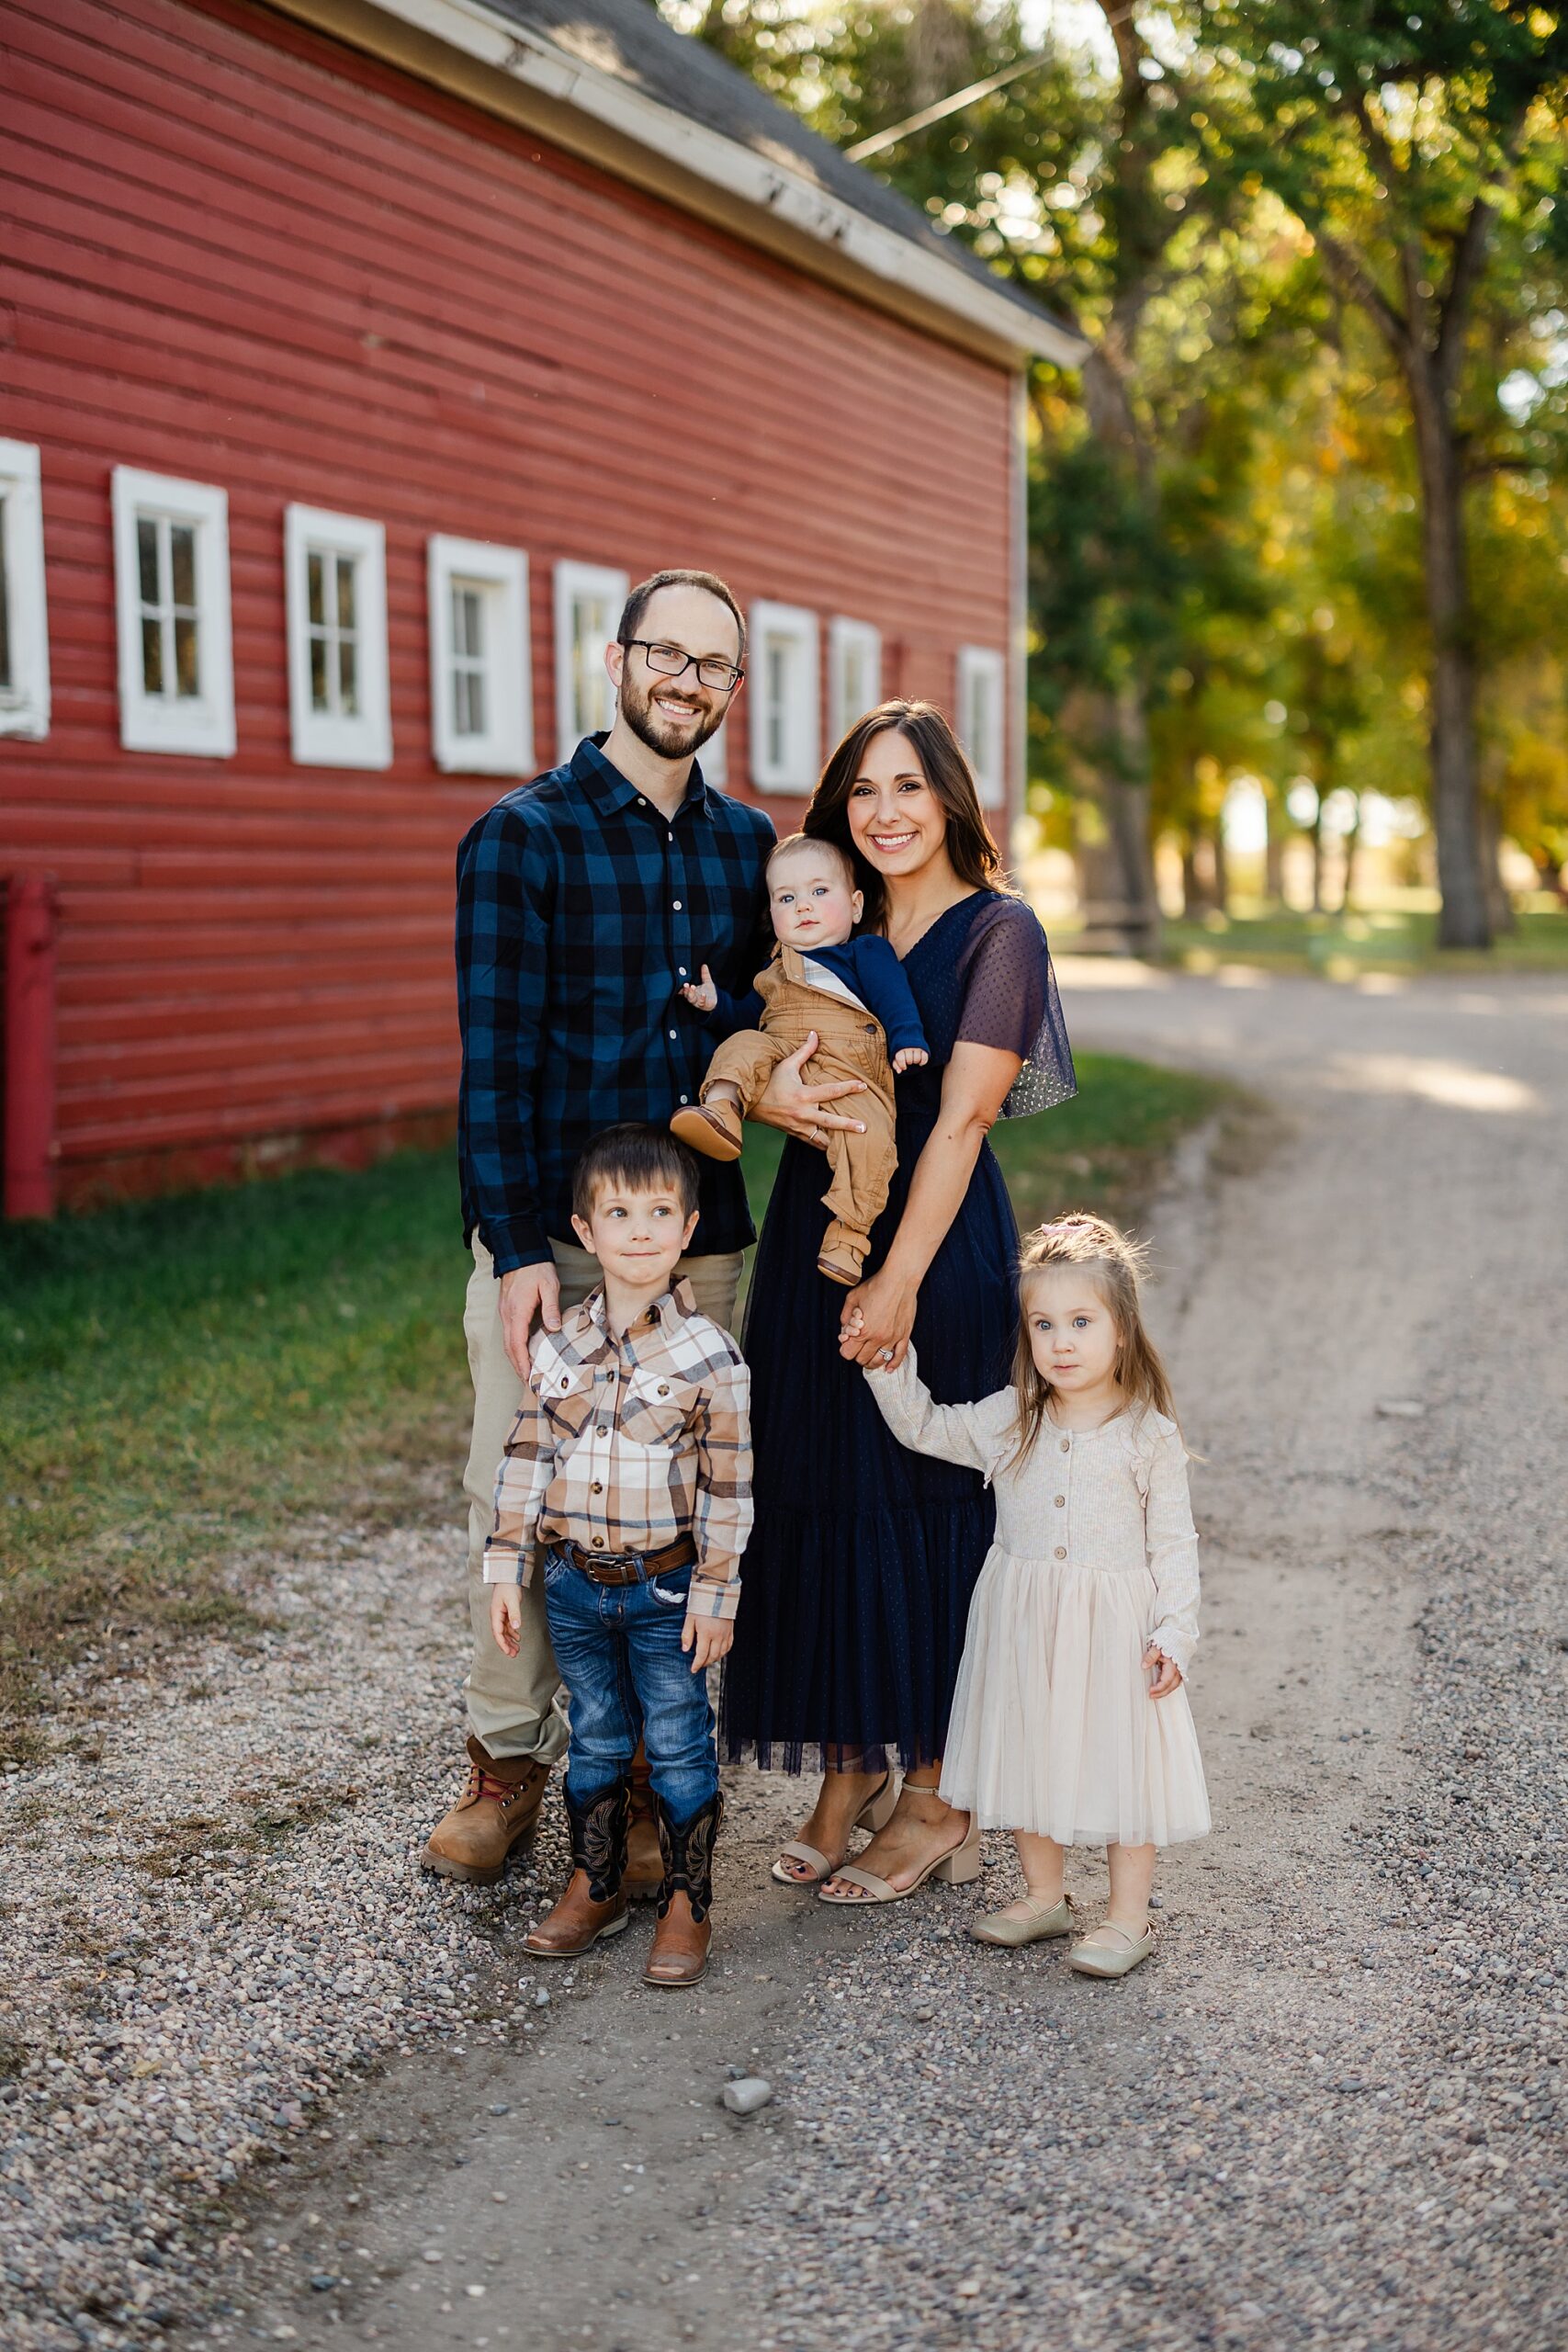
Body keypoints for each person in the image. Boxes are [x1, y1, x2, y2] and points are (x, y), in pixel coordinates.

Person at [428, 570, 865, 1889]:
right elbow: (491, 1066)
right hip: (557, 1237)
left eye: (712, 667)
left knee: (662, 1506)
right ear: (612, 661)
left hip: (702, 1239)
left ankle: (625, 1777)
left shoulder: (749, 849)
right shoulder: (524, 837)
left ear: (733, 691)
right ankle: (505, 1765)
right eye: (663, 656)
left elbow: (780, 1010)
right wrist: (511, 1250)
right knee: (523, 1493)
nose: (686, 682)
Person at [719, 700, 1077, 1901]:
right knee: (820, 1490)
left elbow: (964, 1116)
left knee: (924, 1504)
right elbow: (753, 1029)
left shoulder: (998, 932)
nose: (881, 813)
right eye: (862, 791)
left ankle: (935, 1798)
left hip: (930, 1246)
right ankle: (846, 1769)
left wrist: (898, 1282)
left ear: (948, 803)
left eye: (906, 789)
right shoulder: (831, 913)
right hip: (810, 1231)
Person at [862, 1214, 1210, 1973]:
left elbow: (1174, 1547)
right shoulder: (1012, 1417)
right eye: (1043, 1323)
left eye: (1081, 1322)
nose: (1061, 1342)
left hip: (1115, 1626)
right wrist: (885, 1361)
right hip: (1022, 1614)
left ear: (1120, 1330)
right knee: (1027, 1750)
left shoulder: (1145, 1434)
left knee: (1123, 1763)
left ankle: (1126, 1919)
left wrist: (1173, 1634)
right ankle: (1043, 1897)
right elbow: (924, 1427)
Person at [486, 1126, 750, 1988]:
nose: (640, 1230)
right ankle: (592, 1883)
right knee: (595, 1735)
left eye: (660, 1213)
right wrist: (504, 1565)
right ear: (585, 1230)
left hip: (667, 1586)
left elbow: (728, 1491)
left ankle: (687, 1902)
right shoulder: (558, 1347)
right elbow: (527, 1457)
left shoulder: (711, 1357)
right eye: (619, 1213)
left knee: (676, 1739)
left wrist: (717, 1593)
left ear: (689, 1229)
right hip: (573, 1586)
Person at [671, 831, 930, 1284]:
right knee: (740, 1048)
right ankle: (722, 1111)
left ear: (855, 906)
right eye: (786, 897)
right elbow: (750, 1018)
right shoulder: (775, 969)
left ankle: (850, 1235)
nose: (803, 906)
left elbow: (894, 997)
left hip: (850, 1070)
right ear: (772, 916)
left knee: (870, 1141)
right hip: (780, 1051)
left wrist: (908, 1037)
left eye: (819, 891)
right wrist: (717, 1007)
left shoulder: (863, 952)